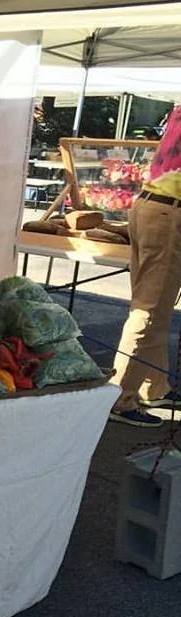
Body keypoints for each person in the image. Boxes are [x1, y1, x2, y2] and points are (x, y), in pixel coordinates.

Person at [110, 104, 181, 427]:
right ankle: (119, 398)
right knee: (149, 312)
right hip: (169, 214)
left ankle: (154, 386)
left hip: (151, 207)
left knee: (154, 306)